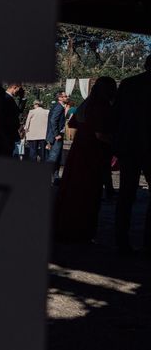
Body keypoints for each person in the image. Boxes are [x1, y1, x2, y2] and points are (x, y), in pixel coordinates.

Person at [54, 77, 117, 243]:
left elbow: (74, 123)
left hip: (79, 150)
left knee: (73, 188)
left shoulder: (86, 104)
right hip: (92, 153)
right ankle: (80, 231)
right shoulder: (101, 106)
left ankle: (66, 227)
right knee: (87, 192)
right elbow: (100, 134)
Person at [114, 55, 151, 255]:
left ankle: (121, 239)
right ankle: (148, 243)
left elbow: (116, 115)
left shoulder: (128, 84)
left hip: (129, 145)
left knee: (126, 194)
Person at [46, 91, 69, 183]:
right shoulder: (58, 107)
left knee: (57, 157)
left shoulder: (58, 106)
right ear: (60, 98)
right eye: (65, 96)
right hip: (56, 136)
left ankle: (55, 178)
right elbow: (53, 121)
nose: (67, 97)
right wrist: (56, 134)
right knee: (53, 157)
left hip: (57, 135)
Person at [0, 83, 26, 156]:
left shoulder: (9, 98)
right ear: (14, 87)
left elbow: (18, 111)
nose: (19, 92)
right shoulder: (6, 98)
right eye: (18, 90)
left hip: (8, 134)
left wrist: (22, 98)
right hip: (6, 133)